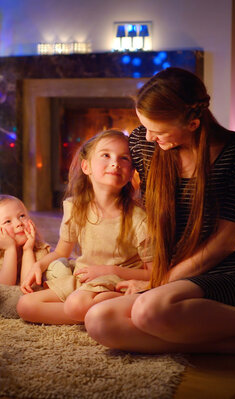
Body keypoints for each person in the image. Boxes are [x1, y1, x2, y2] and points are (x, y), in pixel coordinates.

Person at [83, 67, 235, 367]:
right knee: (99, 321)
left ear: (193, 123)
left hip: (233, 274)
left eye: (157, 131)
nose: (148, 136)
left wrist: (158, 284)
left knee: (149, 311)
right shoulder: (144, 144)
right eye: (144, 126)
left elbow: (226, 241)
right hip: (174, 280)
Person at [17, 130, 153, 324]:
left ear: (131, 172)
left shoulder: (139, 219)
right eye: (106, 155)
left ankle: (103, 307)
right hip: (84, 279)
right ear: (86, 166)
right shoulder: (75, 208)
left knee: (75, 304)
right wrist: (39, 265)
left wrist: (111, 271)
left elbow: (153, 273)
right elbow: (62, 252)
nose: (115, 162)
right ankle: (96, 313)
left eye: (124, 158)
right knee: (25, 306)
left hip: (115, 281)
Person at [0, 194, 51, 285]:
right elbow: (4, 287)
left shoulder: (39, 249)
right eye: (7, 221)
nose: (19, 223)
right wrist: (10, 250)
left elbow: (29, 286)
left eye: (22, 216)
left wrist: (28, 250)